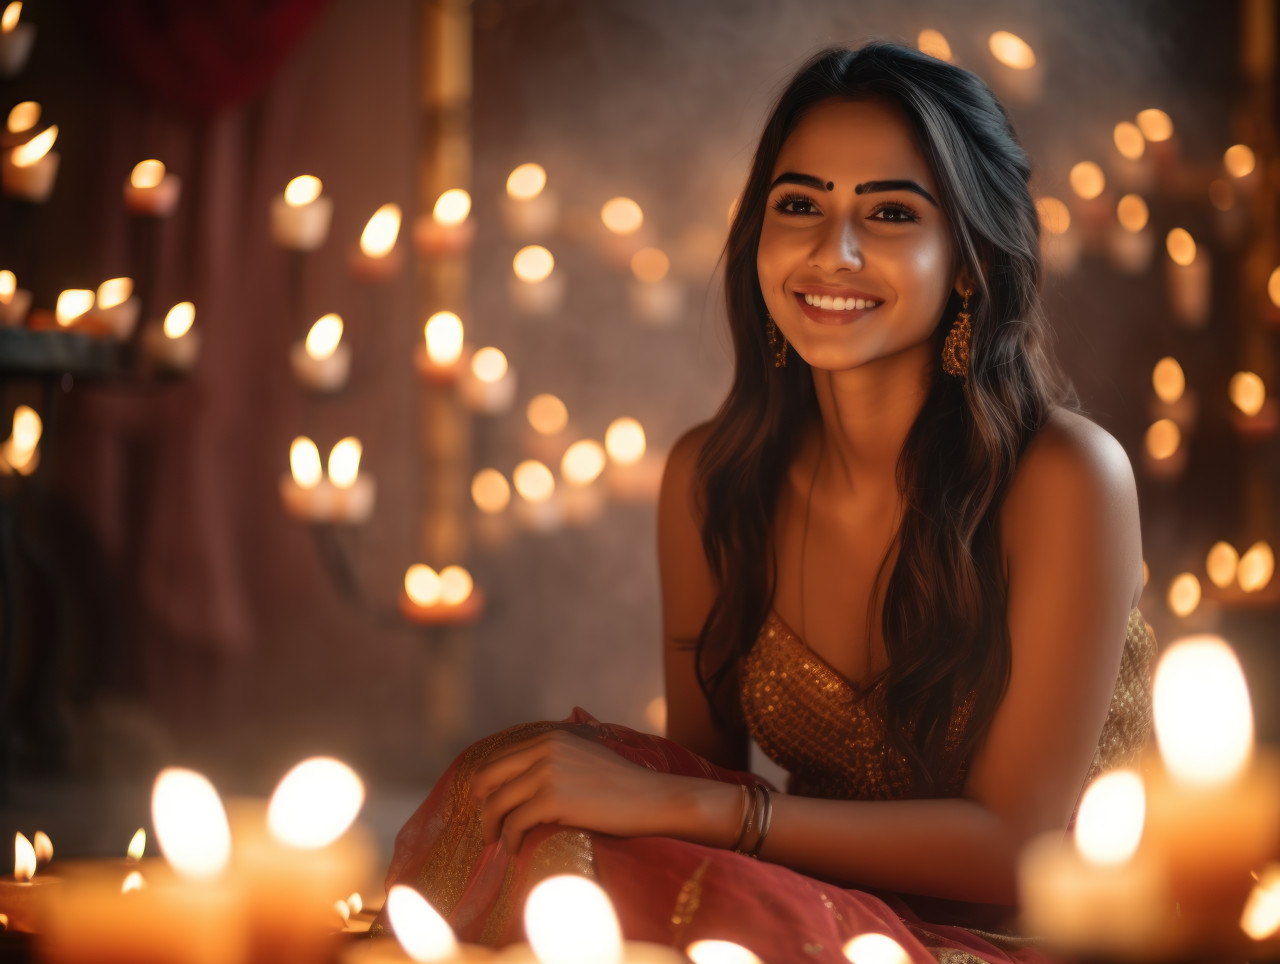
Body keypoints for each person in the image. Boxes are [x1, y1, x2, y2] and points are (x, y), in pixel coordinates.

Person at [375, 42, 1154, 963]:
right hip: (812, 914)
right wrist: (655, 806)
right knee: (524, 788)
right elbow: (693, 790)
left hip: (1034, 938)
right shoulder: (711, 480)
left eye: (891, 213)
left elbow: (1017, 850)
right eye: (800, 205)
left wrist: (701, 808)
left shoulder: (1065, 477)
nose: (833, 251)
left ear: (971, 260)